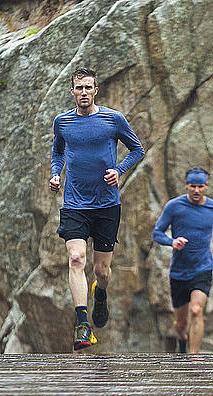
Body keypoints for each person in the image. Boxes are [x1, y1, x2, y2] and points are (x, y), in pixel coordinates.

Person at [49, 67, 144, 350]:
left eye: (88, 88)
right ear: (72, 92)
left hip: (106, 205)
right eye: (79, 88)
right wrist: (56, 173)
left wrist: (120, 169)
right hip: (75, 203)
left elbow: (137, 149)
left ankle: (100, 294)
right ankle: (82, 324)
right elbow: (58, 152)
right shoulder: (63, 122)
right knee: (76, 258)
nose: (84, 93)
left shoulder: (112, 119)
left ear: (95, 90)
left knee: (102, 271)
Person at [152, 167, 213, 354]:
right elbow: (157, 233)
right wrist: (172, 241)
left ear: (206, 186)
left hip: (202, 267)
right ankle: (182, 339)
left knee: (196, 310)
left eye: (200, 186)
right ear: (186, 185)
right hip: (179, 271)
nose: (196, 190)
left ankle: (194, 358)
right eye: (192, 186)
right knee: (180, 323)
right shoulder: (174, 206)